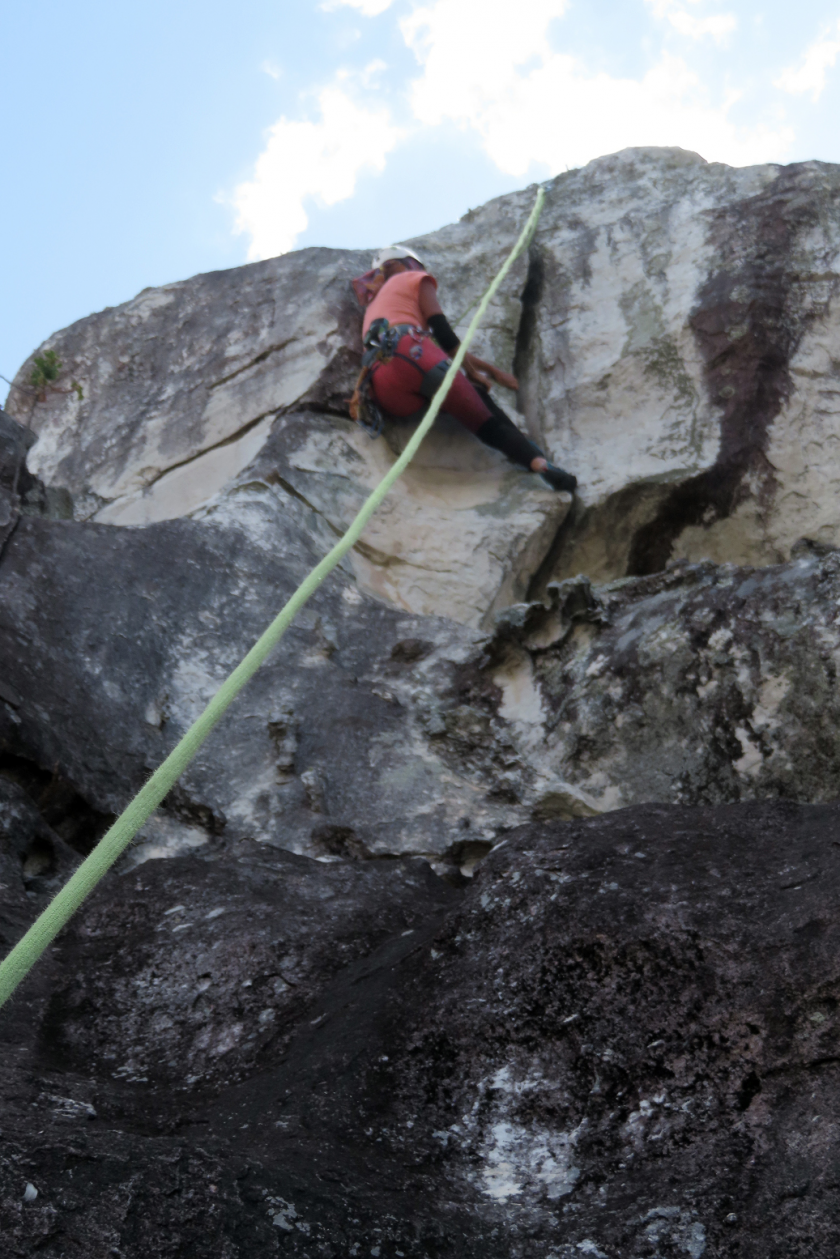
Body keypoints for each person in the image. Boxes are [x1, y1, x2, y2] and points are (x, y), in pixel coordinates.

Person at [350, 246, 576, 493]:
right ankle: (539, 463)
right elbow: (443, 333)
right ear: (402, 265)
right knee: (484, 411)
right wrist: (475, 376)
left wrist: (493, 371)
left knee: (436, 381)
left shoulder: (373, 308)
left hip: (383, 387)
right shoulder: (414, 279)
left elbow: (437, 353)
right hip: (414, 354)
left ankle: (449, 400)